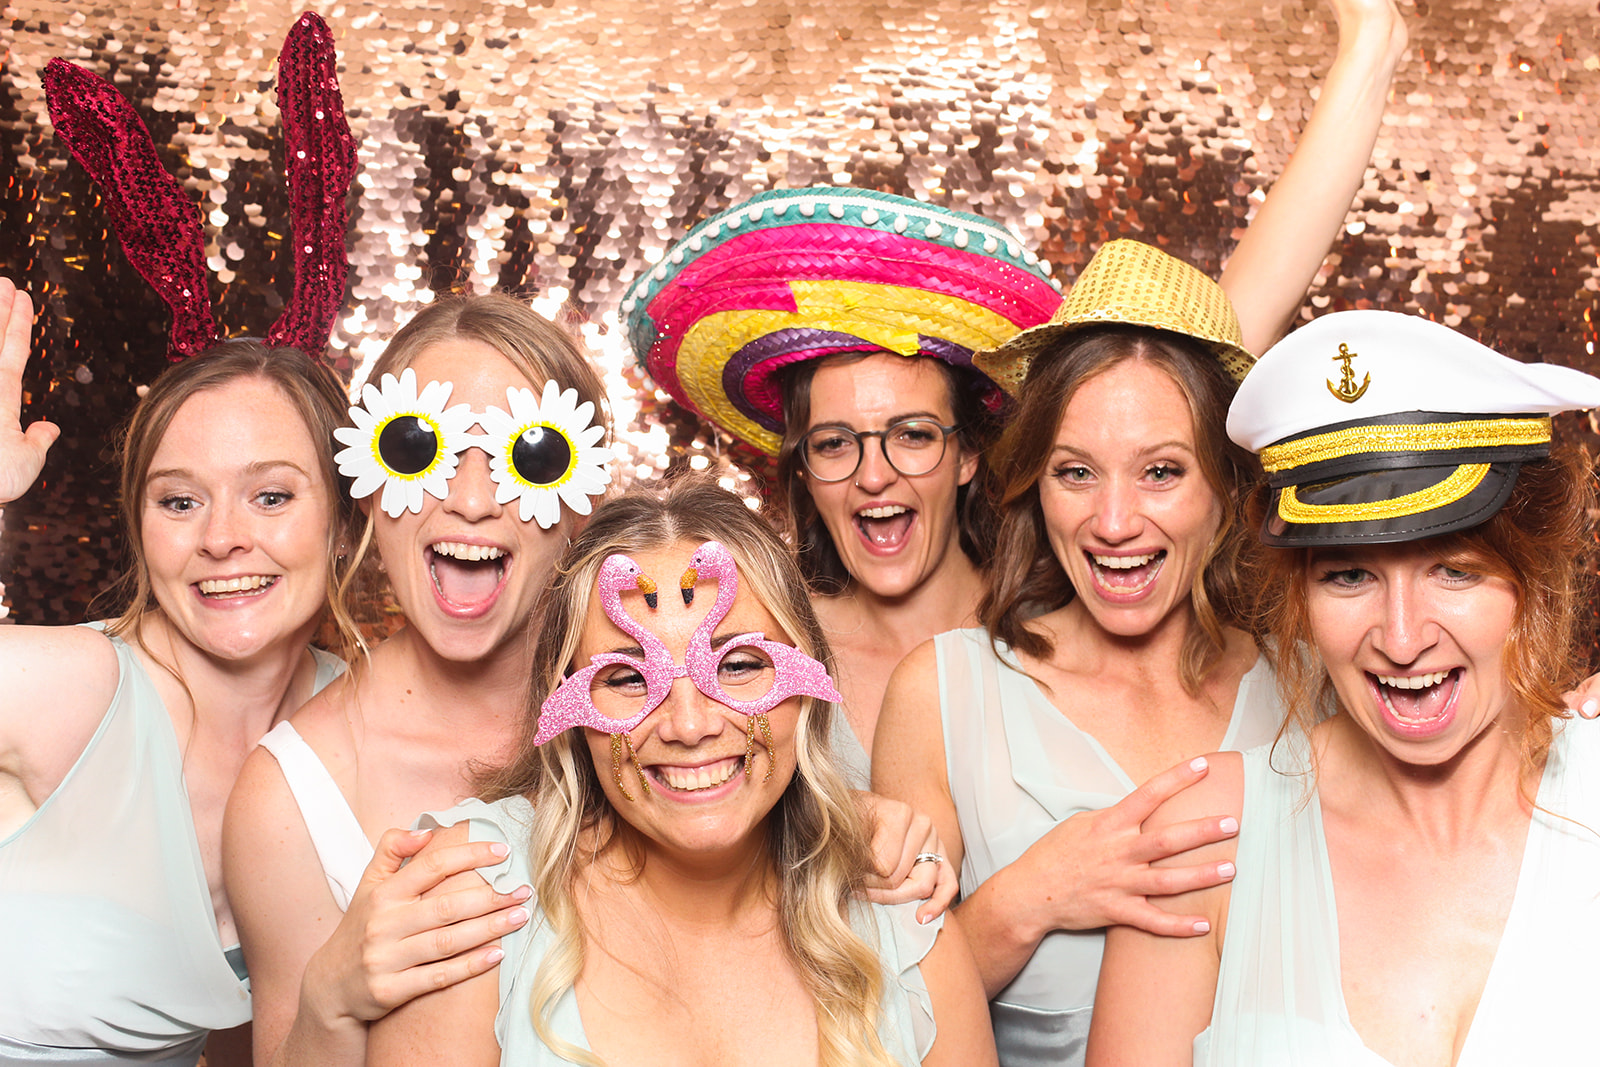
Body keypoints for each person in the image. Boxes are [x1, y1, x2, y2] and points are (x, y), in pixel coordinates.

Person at [625, 0, 1409, 783]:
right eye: (834, 442)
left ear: (970, 450)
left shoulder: (1076, 577)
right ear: (799, 464)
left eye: (913, 433)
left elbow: (1214, 347)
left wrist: (1365, 53)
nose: (874, 474)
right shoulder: (754, 642)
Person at [1088, 310, 1600, 1065]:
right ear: (1299, 596)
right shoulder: (1201, 839)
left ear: (1536, 578)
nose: (1400, 637)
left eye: (1452, 569)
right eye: (1349, 575)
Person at [365, 478, 999, 1066]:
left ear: (808, 683)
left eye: (739, 666)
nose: (689, 727)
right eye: (626, 679)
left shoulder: (899, 909)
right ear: (566, 706)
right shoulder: (471, 900)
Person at [871, 240, 1274, 1065]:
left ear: (1227, 489)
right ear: (1032, 484)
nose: (1115, 521)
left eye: (1161, 471)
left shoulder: (1316, 685)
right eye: (1076, 471)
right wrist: (1032, 895)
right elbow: (876, 1017)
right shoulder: (943, 695)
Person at [223, 293, 615, 1066]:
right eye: (418, 449)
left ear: (584, 501)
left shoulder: (668, 714)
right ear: (369, 485)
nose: (471, 501)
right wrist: (332, 995)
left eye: (531, 458)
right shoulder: (291, 795)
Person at [0, 278, 358, 1066]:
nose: (222, 538)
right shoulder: (79, 691)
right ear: (140, 527)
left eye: (270, 495)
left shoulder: (357, 720)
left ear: (343, 523)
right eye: (179, 501)